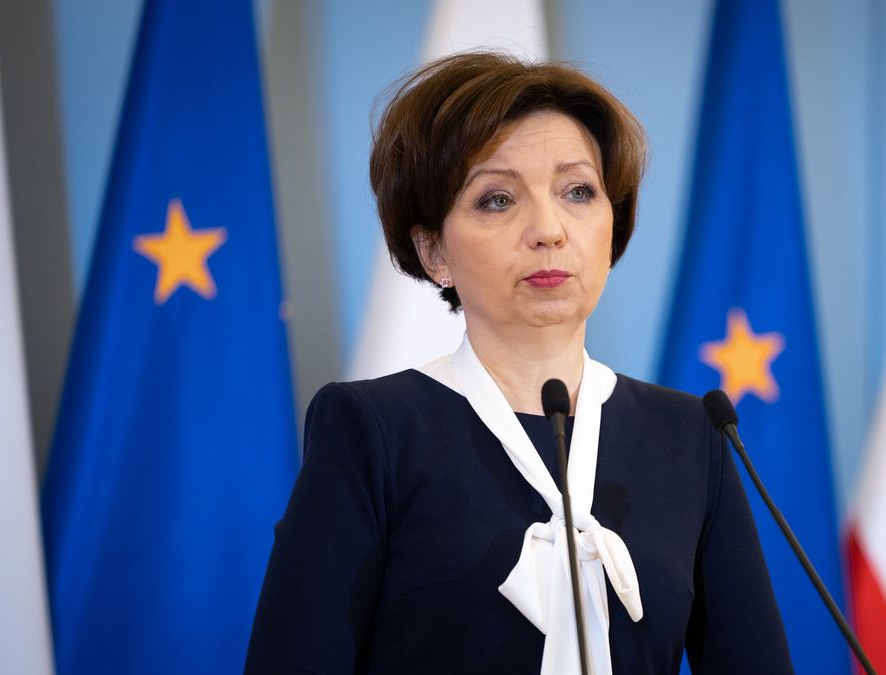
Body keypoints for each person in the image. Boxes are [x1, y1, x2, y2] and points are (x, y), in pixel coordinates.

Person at [245, 51, 792, 674]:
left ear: (613, 227)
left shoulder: (692, 435)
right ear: (433, 252)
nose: (549, 229)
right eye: (498, 199)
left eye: (578, 191)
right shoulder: (374, 430)